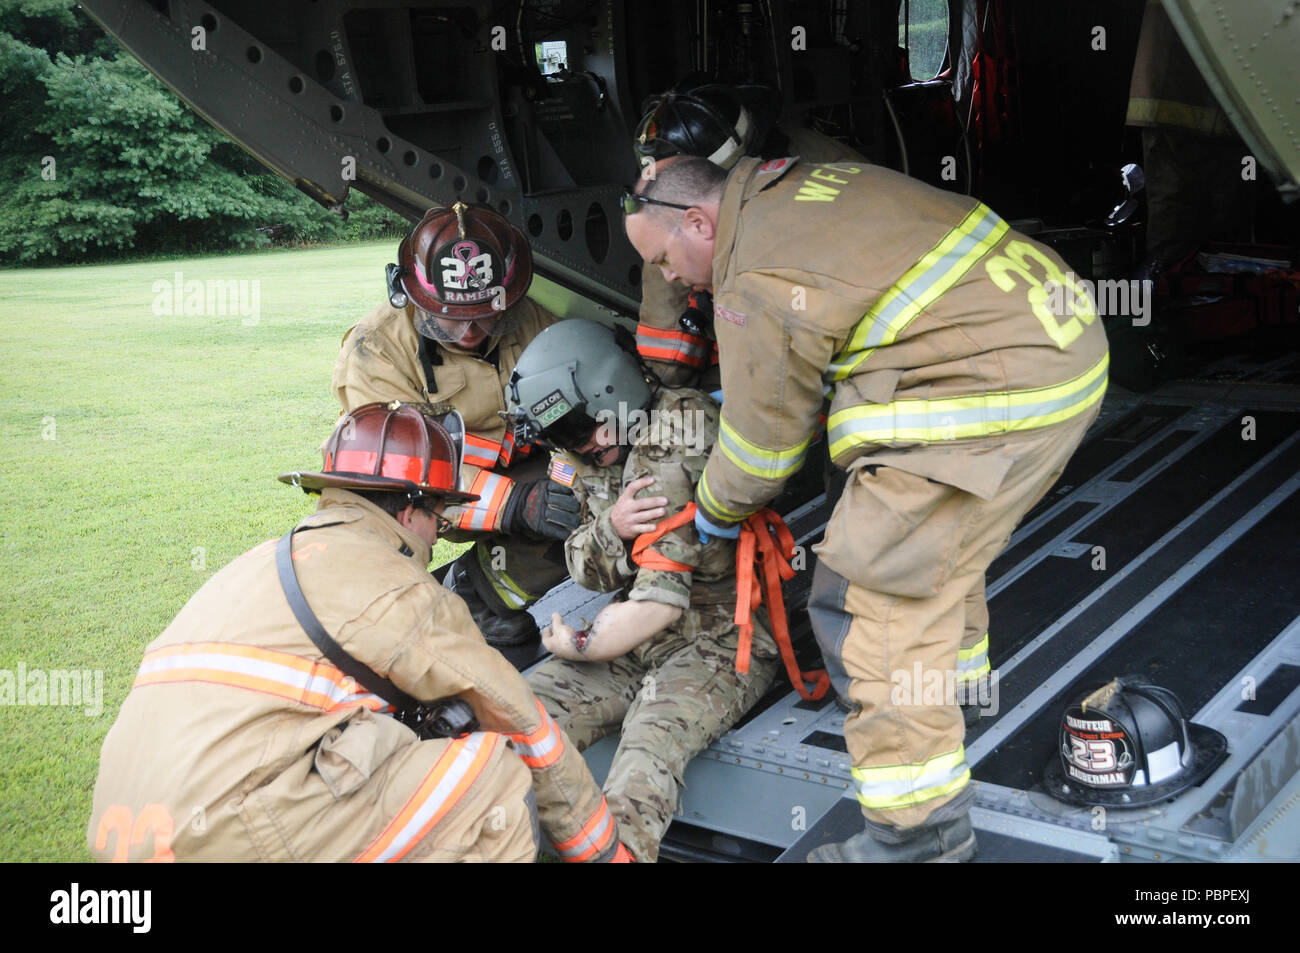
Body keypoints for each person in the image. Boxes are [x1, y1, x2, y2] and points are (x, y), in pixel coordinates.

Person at [622, 156, 1109, 862]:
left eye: (664, 257)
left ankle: (917, 835)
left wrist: (713, 508)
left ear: (698, 221)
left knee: (868, 593)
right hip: (1059, 346)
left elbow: (764, 451)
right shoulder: (792, 185)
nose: (668, 277)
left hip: (994, 385)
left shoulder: (752, 276)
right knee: (938, 548)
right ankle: (951, 693)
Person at [87, 402, 628, 863]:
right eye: (440, 518)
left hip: (123, 819)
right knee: (493, 776)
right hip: (227, 828)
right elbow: (524, 723)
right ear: (413, 508)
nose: (437, 539)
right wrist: (605, 851)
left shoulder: (263, 560)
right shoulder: (398, 588)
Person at [503, 319, 781, 862]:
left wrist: (576, 646)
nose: (583, 445)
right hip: (638, 636)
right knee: (521, 727)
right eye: (565, 437)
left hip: (719, 642)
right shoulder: (598, 453)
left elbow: (659, 602)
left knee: (645, 753)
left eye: (584, 428)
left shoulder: (677, 430)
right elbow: (582, 561)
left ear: (614, 394)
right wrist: (615, 530)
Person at [333, 202, 579, 666]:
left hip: (514, 470)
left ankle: (483, 596)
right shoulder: (376, 350)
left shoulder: (531, 320)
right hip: (415, 496)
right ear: (410, 295)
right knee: (383, 530)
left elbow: (579, 406)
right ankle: (395, 636)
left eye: (485, 314)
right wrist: (516, 504)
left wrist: (571, 474)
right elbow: (399, 475)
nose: (469, 330)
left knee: (580, 497)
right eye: (451, 317)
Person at [629, 79, 866, 389]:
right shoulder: (820, 159)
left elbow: (670, 360)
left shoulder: (791, 209)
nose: (670, 274)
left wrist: (660, 387)